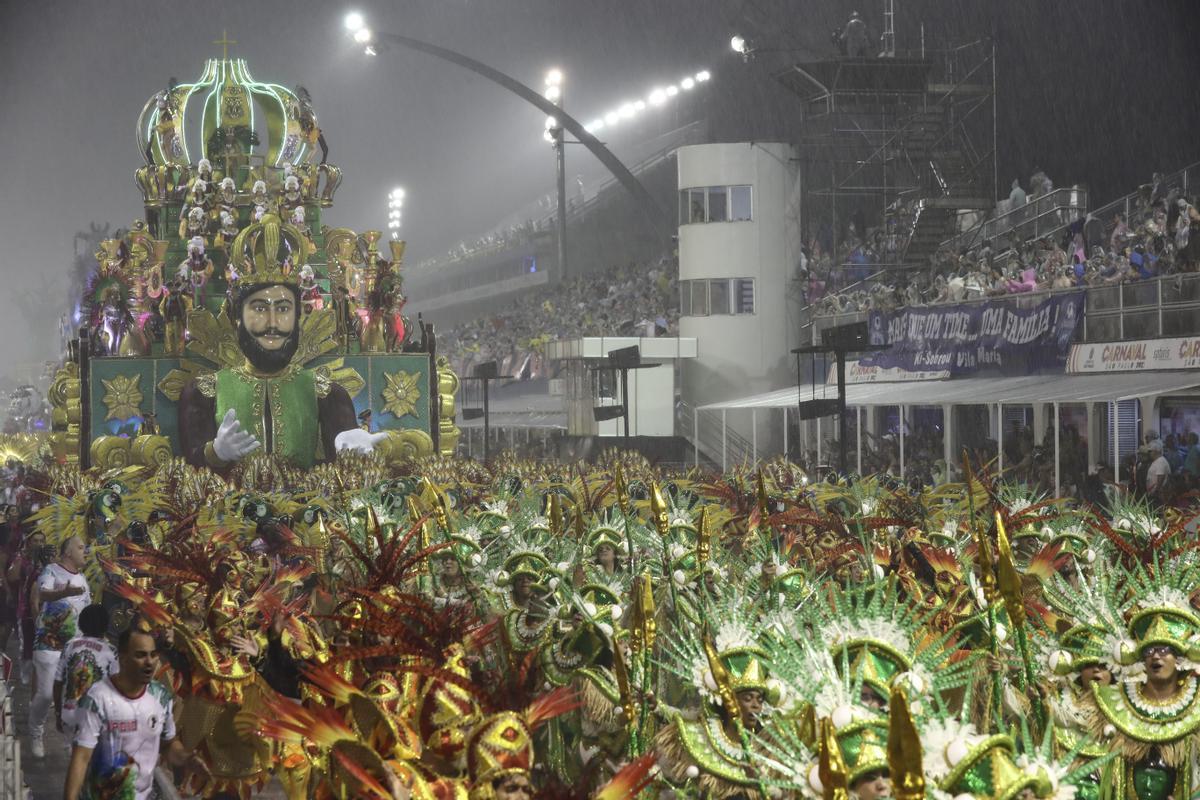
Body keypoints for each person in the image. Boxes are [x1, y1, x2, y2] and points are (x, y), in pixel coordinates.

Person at [177, 215, 386, 470]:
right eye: (259, 308)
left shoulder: (327, 394)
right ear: (236, 320)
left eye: (284, 308)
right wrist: (215, 452)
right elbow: (191, 465)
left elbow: (341, 452)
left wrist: (350, 447)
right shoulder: (204, 393)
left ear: (299, 319)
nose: (273, 322)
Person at [63, 627, 208, 800]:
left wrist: (186, 758)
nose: (150, 662)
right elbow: (81, 758)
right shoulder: (97, 699)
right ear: (123, 659)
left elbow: (168, 745)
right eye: (141, 655)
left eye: (153, 655)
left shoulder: (161, 696)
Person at [29, 534, 90, 758]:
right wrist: (63, 593)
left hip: (74, 647)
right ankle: (36, 730)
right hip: (48, 642)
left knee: (71, 697)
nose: (86, 551)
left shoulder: (83, 579)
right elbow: (43, 593)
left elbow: (86, 612)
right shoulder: (51, 571)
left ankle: (68, 738)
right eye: (81, 547)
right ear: (68, 553)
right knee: (45, 695)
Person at [53, 604, 116, 740]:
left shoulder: (70, 645)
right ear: (105, 625)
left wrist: (58, 714)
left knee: (74, 756)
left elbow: (58, 682)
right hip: (96, 719)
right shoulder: (111, 651)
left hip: (69, 716)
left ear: (81, 623)